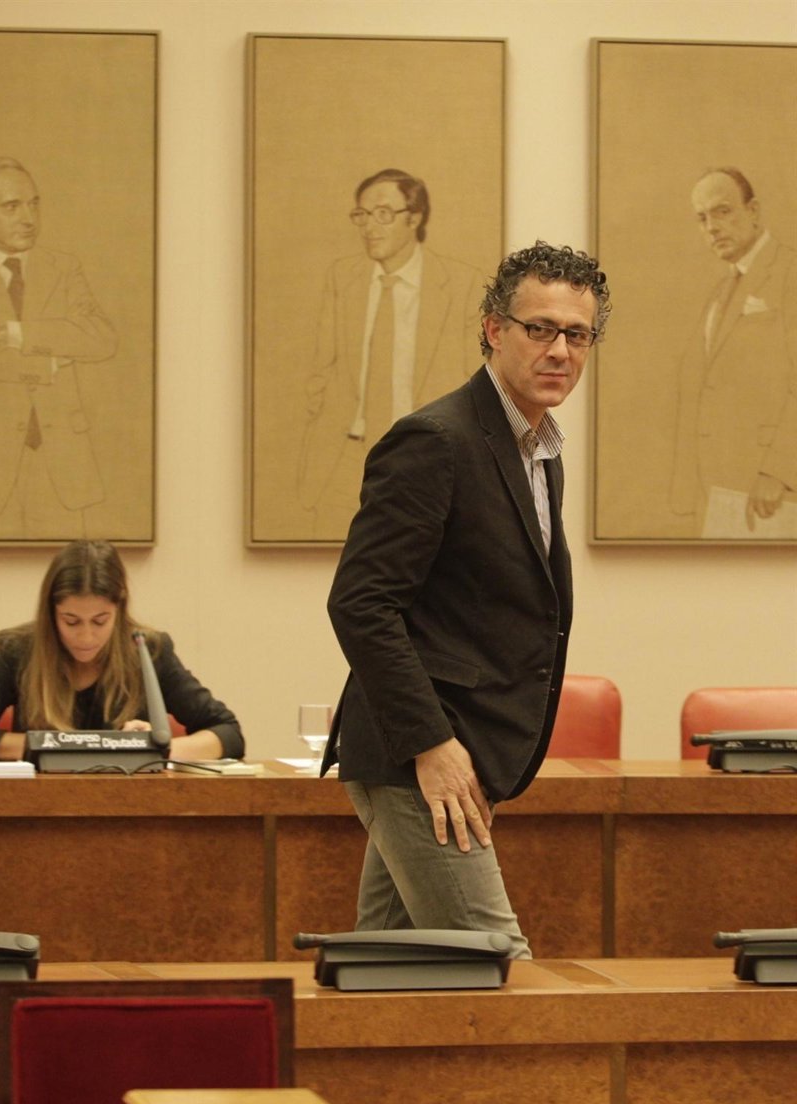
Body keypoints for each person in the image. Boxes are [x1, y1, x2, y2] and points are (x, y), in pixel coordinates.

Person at [323, 241, 610, 958]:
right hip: (420, 755)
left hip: (463, 753)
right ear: (493, 329)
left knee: (390, 976)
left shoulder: (538, 449)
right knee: (499, 966)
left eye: (577, 335)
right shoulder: (436, 440)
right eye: (539, 328)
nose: (560, 351)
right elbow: (361, 603)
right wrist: (433, 746)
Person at [0, 156, 118, 538]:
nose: (29, 218)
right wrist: (49, 364)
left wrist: (19, 334)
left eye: (34, 204)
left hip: (62, 467)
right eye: (12, 206)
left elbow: (101, 338)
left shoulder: (64, 268)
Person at [298, 168, 484, 539]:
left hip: (426, 458)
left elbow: (478, 385)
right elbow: (320, 370)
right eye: (362, 215)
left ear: (414, 218)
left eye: (383, 214)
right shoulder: (342, 278)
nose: (369, 227)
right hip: (345, 461)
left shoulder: (462, 285)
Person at [0, 540, 243, 763]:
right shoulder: (20, 651)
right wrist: (47, 746)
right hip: (39, 810)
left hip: (130, 810)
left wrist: (153, 749)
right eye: (71, 621)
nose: (86, 637)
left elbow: (228, 733)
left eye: (100, 621)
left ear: (119, 609)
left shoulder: (147, 650)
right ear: (51, 613)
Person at [669, 167, 797, 537]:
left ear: (753, 210)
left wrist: (780, 470)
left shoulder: (790, 272)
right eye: (702, 218)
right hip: (715, 492)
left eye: (722, 211)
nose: (711, 227)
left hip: (771, 493)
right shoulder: (721, 291)